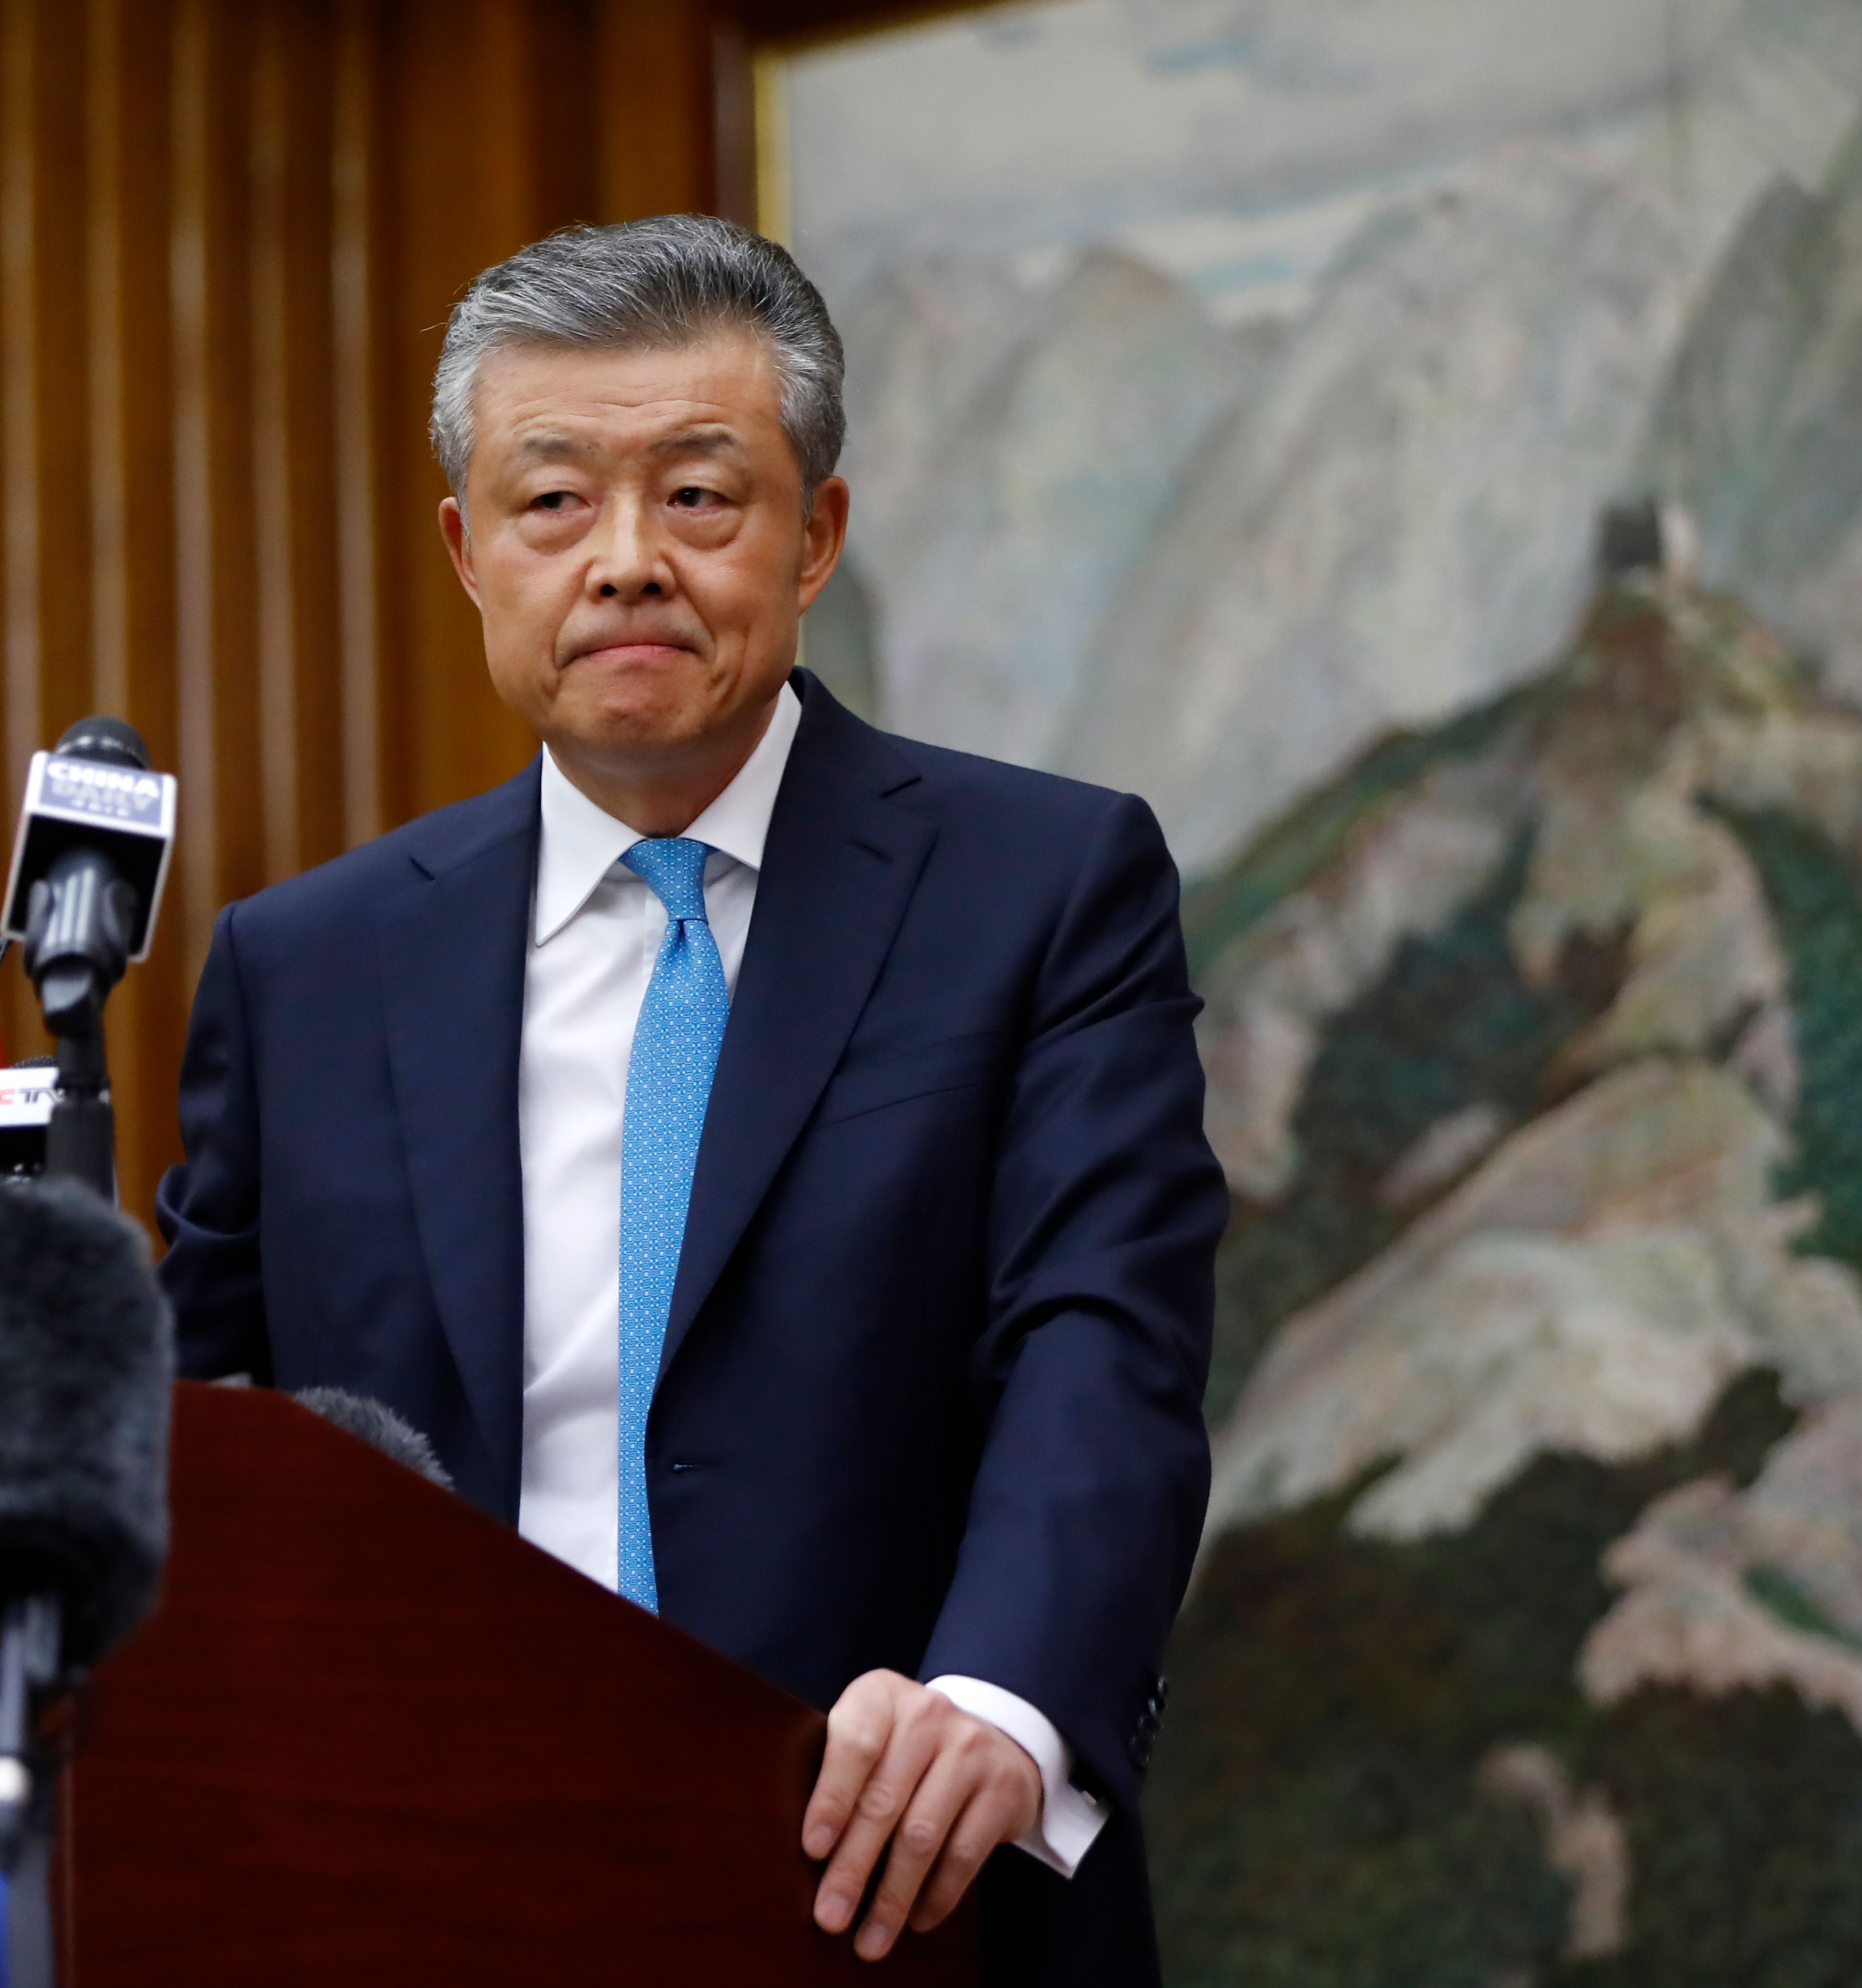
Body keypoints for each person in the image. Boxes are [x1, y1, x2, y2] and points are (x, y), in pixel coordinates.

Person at [157, 214, 1223, 1981]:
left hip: (900, 1884)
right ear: (467, 552)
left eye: (702, 497)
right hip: (429, 1902)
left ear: (816, 536)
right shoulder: (306, 968)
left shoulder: (1043, 887)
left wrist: (998, 1700)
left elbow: (1100, 1344)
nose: (627, 561)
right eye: (554, 499)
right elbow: (213, 1438)